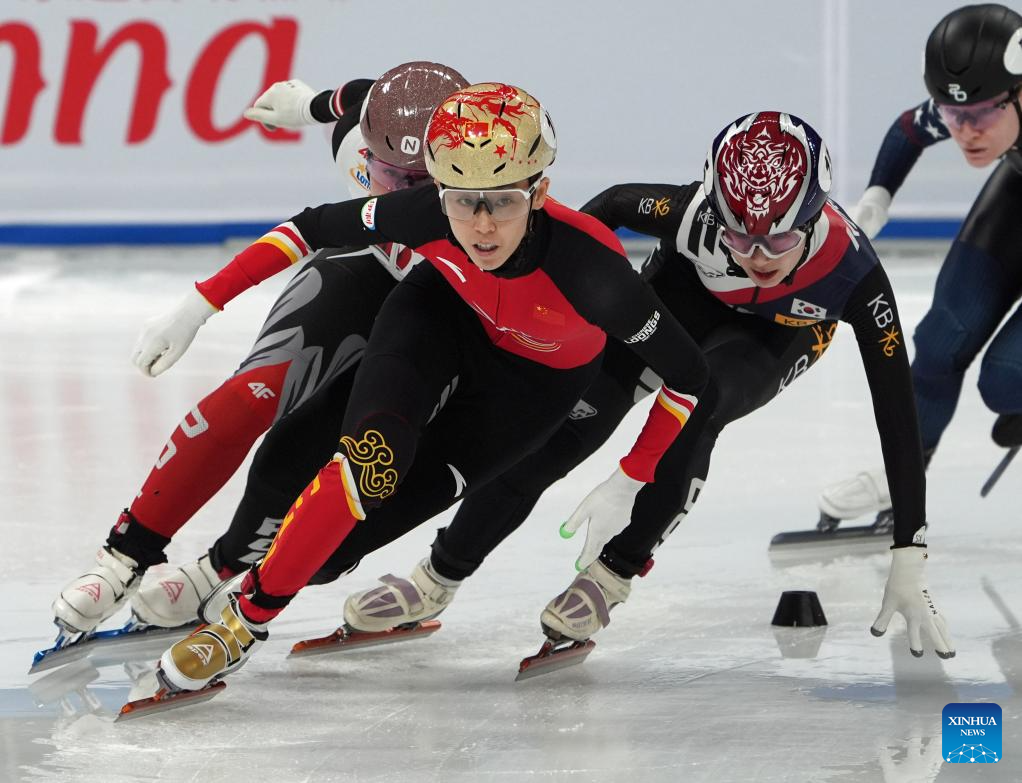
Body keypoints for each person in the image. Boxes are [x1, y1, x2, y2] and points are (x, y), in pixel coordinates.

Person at [156, 82, 711, 694]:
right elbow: (311, 228)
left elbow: (689, 377)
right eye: (462, 202)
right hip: (441, 317)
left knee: (332, 557)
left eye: (502, 203)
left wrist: (632, 475)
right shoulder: (423, 211)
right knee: (369, 460)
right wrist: (199, 304)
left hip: (534, 384)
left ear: (539, 192)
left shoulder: (594, 273)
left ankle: (300, 580)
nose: (481, 226)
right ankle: (239, 626)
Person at [338, 111, 956, 661]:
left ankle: (612, 575)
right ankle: (437, 578)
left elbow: (897, 415)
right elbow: (601, 213)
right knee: (557, 428)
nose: (758, 256)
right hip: (683, 300)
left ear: (815, 216)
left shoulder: (855, 276)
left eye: (780, 238)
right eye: (738, 235)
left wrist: (910, 552)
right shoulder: (688, 214)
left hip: (780, 335)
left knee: (704, 405)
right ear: (715, 211)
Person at [48, 61, 468, 641]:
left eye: (417, 184)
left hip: (445, 318)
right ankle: (123, 558)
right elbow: (355, 103)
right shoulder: (361, 138)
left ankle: (220, 568)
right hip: (368, 269)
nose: (393, 192)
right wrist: (310, 107)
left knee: (327, 458)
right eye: (383, 171)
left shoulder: (490, 221)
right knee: (252, 395)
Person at [818, 3, 1022, 527]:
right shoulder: (982, 97)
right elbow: (910, 129)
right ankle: (901, 474)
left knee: (1005, 380)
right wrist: (878, 196)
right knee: (942, 337)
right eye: (954, 115)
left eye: (982, 115)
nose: (966, 132)